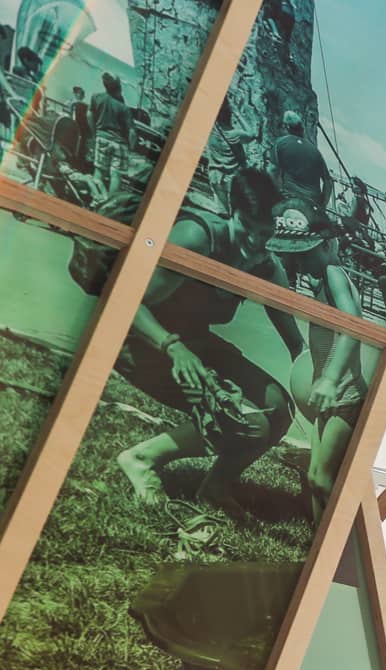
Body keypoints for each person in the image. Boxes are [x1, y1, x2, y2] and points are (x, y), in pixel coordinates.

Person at [110, 167, 306, 541]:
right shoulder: (198, 237)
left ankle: (215, 487)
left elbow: (287, 321)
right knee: (247, 422)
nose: (255, 241)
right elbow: (128, 300)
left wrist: (307, 364)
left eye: (265, 233)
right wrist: (173, 346)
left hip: (196, 343)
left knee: (277, 408)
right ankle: (142, 459)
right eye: (248, 227)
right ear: (232, 211)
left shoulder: (263, 259)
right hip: (145, 344)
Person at [266, 197, 368, 517]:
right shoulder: (320, 276)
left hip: (345, 396)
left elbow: (352, 327)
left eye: (305, 254)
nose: (300, 263)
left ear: (325, 245)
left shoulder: (334, 273)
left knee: (323, 480)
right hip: (331, 397)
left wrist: (329, 379)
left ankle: (340, 534)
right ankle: (315, 535)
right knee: (313, 477)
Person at [272, 108, 331, 209]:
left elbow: (273, 170)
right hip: (312, 203)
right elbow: (328, 181)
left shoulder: (280, 143)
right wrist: (323, 205)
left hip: (289, 198)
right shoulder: (315, 150)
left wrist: (275, 195)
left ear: (286, 126)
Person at [88, 72, 130, 202]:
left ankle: (95, 200)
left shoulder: (96, 97)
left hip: (102, 138)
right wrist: (130, 145)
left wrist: (94, 133)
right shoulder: (122, 104)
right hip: (119, 142)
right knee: (116, 175)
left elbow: (89, 116)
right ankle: (111, 205)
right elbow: (130, 129)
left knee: (99, 171)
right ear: (118, 86)